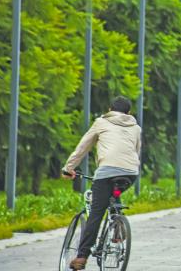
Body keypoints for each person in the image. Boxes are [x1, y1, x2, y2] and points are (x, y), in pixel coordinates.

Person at [61, 96, 141, 270]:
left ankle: (81, 257)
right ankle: (118, 225)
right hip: (130, 173)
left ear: (109, 109)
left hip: (106, 173)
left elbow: (83, 147)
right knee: (115, 193)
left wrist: (69, 168)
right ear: (129, 113)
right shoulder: (136, 128)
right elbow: (136, 151)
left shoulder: (101, 122)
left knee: (96, 213)